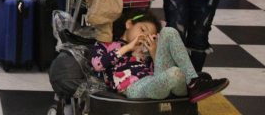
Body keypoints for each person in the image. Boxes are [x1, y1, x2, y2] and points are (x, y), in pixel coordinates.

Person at [91, 11, 229, 102]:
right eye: (143, 30)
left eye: (150, 36)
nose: (145, 36)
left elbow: (158, 71)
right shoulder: (107, 44)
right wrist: (128, 47)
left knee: (169, 31)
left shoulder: (147, 49)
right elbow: (97, 65)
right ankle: (193, 83)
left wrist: (153, 52)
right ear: (129, 24)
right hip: (134, 88)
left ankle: (194, 83)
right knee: (175, 73)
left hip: (158, 80)